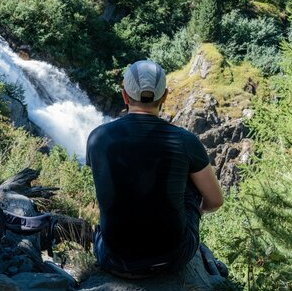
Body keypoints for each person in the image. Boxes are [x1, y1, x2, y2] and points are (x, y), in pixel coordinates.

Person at [86, 59, 224, 278]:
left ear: (124, 95)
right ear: (165, 96)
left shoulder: (97, 137)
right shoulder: (186, 141)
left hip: (113, 259)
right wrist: (195, 212)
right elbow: (215, 201)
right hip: (171, 259)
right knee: (188, 179)